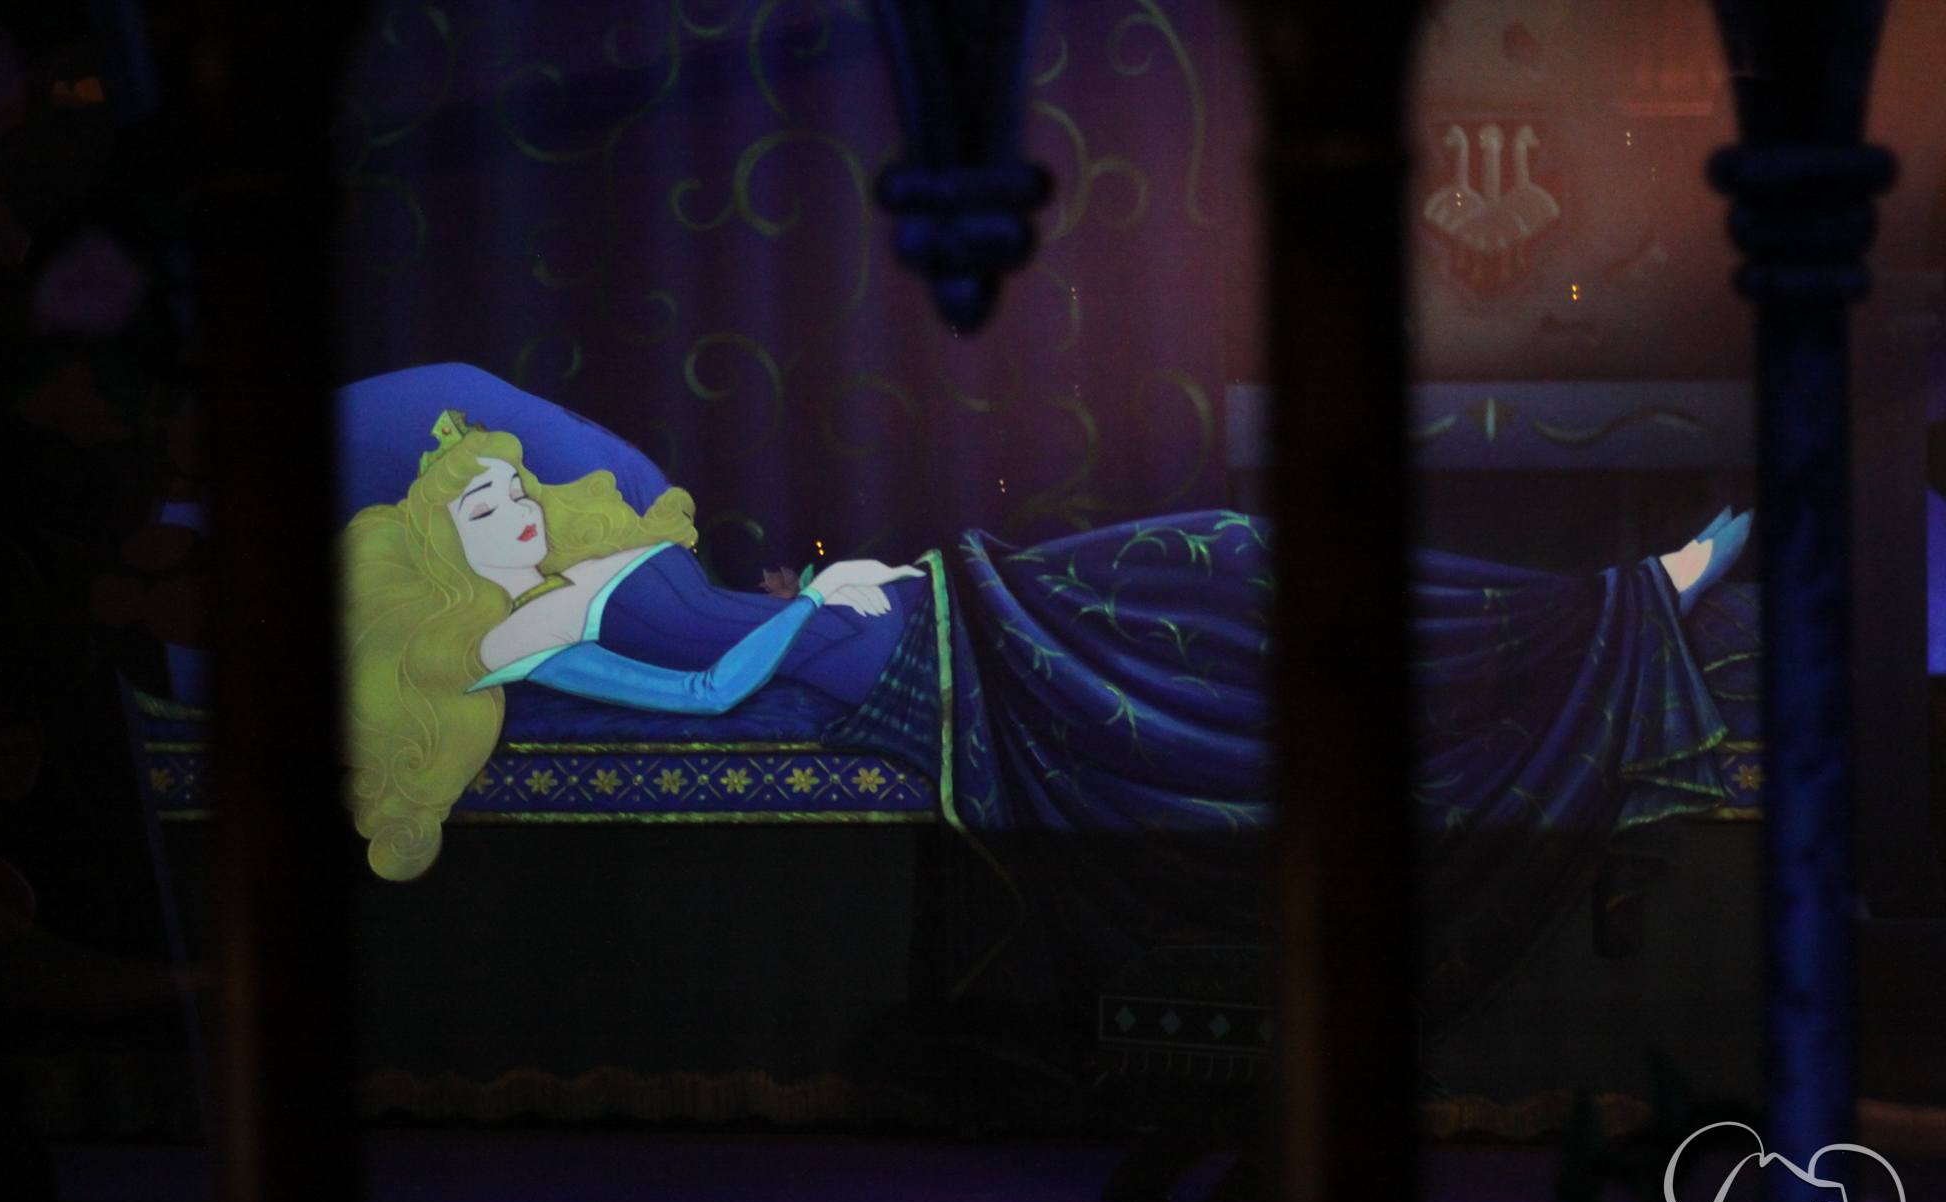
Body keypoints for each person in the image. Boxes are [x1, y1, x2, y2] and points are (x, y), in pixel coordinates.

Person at [342, 409, 1752, 885]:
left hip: (934, 612)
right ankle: (1608, 610)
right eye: (484, 506)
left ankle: (1596, 610)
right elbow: (708, 687)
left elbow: (730, 633)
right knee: (1234, 568)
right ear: (436, 544)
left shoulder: (578, 571)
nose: (518, 511)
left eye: (517, 489)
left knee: (1235, 562)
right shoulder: (520, 633)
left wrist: (847, 582)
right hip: (935, 664)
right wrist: (816, 612)